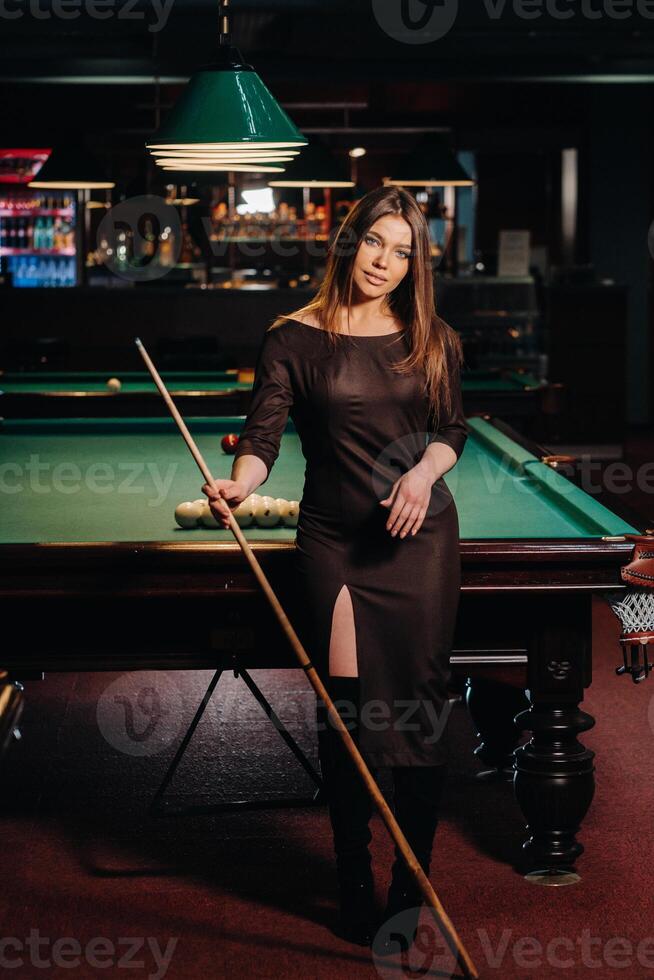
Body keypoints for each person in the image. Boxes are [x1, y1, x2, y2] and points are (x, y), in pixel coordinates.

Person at [203, 185, 468, 948]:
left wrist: (423, 474)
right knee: (348, 716)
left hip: (417, 542)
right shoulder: (291, 336)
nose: (384, 262)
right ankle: (352, 868)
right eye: (374, 243)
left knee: (417, 717)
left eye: (402, 251)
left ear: (415, 263)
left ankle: (409, 884)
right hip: (334, 543)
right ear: (347, 242)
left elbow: (451, 428)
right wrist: (241, 485)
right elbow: (262, 437)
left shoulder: (433, 338)